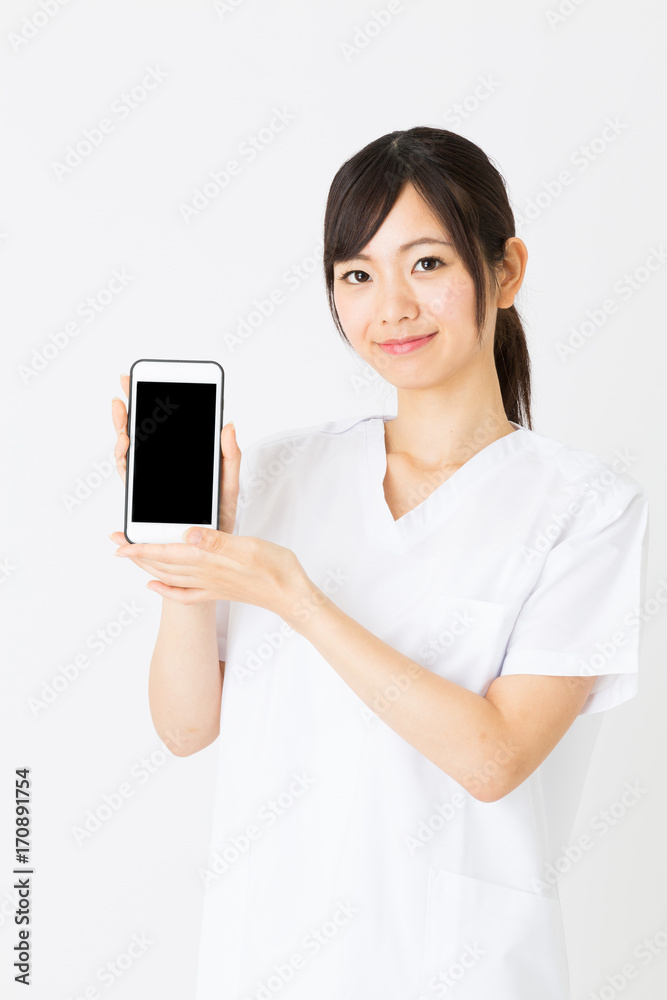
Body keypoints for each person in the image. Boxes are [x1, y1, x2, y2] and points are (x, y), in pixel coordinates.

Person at [110, 127, 650, 999]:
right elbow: (184, 729)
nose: (389, 306)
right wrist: (187, 567)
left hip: (461, 968)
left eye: (426, 264)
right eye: (356, 275)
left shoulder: (583, 508)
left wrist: (297, 597)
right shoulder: (282, 472)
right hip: (265, 958)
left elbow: (494, 758)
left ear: (504, 270)